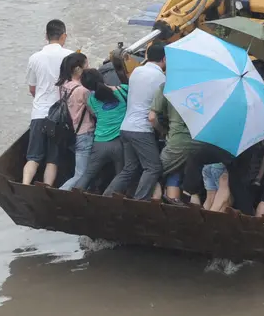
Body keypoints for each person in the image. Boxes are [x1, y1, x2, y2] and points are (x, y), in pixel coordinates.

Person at [104, 42, 166, 199]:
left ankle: (106, 197)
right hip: (141, 130)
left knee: (130, 168)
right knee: (153, 167)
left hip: (126, 128)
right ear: (164, 59)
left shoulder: (136, 71)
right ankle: (139, 203)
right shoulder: (160, 77)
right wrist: (163, 130)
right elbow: (158, 108)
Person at [22, 19, 73, 185]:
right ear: (63, 36)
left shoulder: (34, 58)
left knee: (33, 157)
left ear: (46, 36)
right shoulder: (71, 56)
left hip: (38, 113)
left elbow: (32, 89)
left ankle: (25, 184)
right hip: (60, 117)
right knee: (53, 159)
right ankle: (47, 188)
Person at [69, 68, 129, 192]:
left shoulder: (91, 99)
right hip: (119, 143)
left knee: (87, 175)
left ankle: (73, 197)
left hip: (99, 143)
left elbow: (95, 114)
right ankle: (114, 201)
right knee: (120, 177)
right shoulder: (123, 90)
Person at [149, 82, 194, 205]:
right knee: (175, 173)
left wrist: (163, 131)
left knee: (153, 173)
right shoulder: (199, 85)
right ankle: (174, 209)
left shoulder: (167, 85)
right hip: (196, 141)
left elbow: (152, 117)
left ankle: (155, 206)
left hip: (176, 141)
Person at [55, 53, 95, 190]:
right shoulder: (83, 90)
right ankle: (60, 194)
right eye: (87, 65)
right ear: (78, 69)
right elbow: (94, 111)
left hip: (69, 132)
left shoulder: (63, 86)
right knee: (81, 174)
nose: (88, 68)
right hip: (85, 133)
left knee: (80, 171)